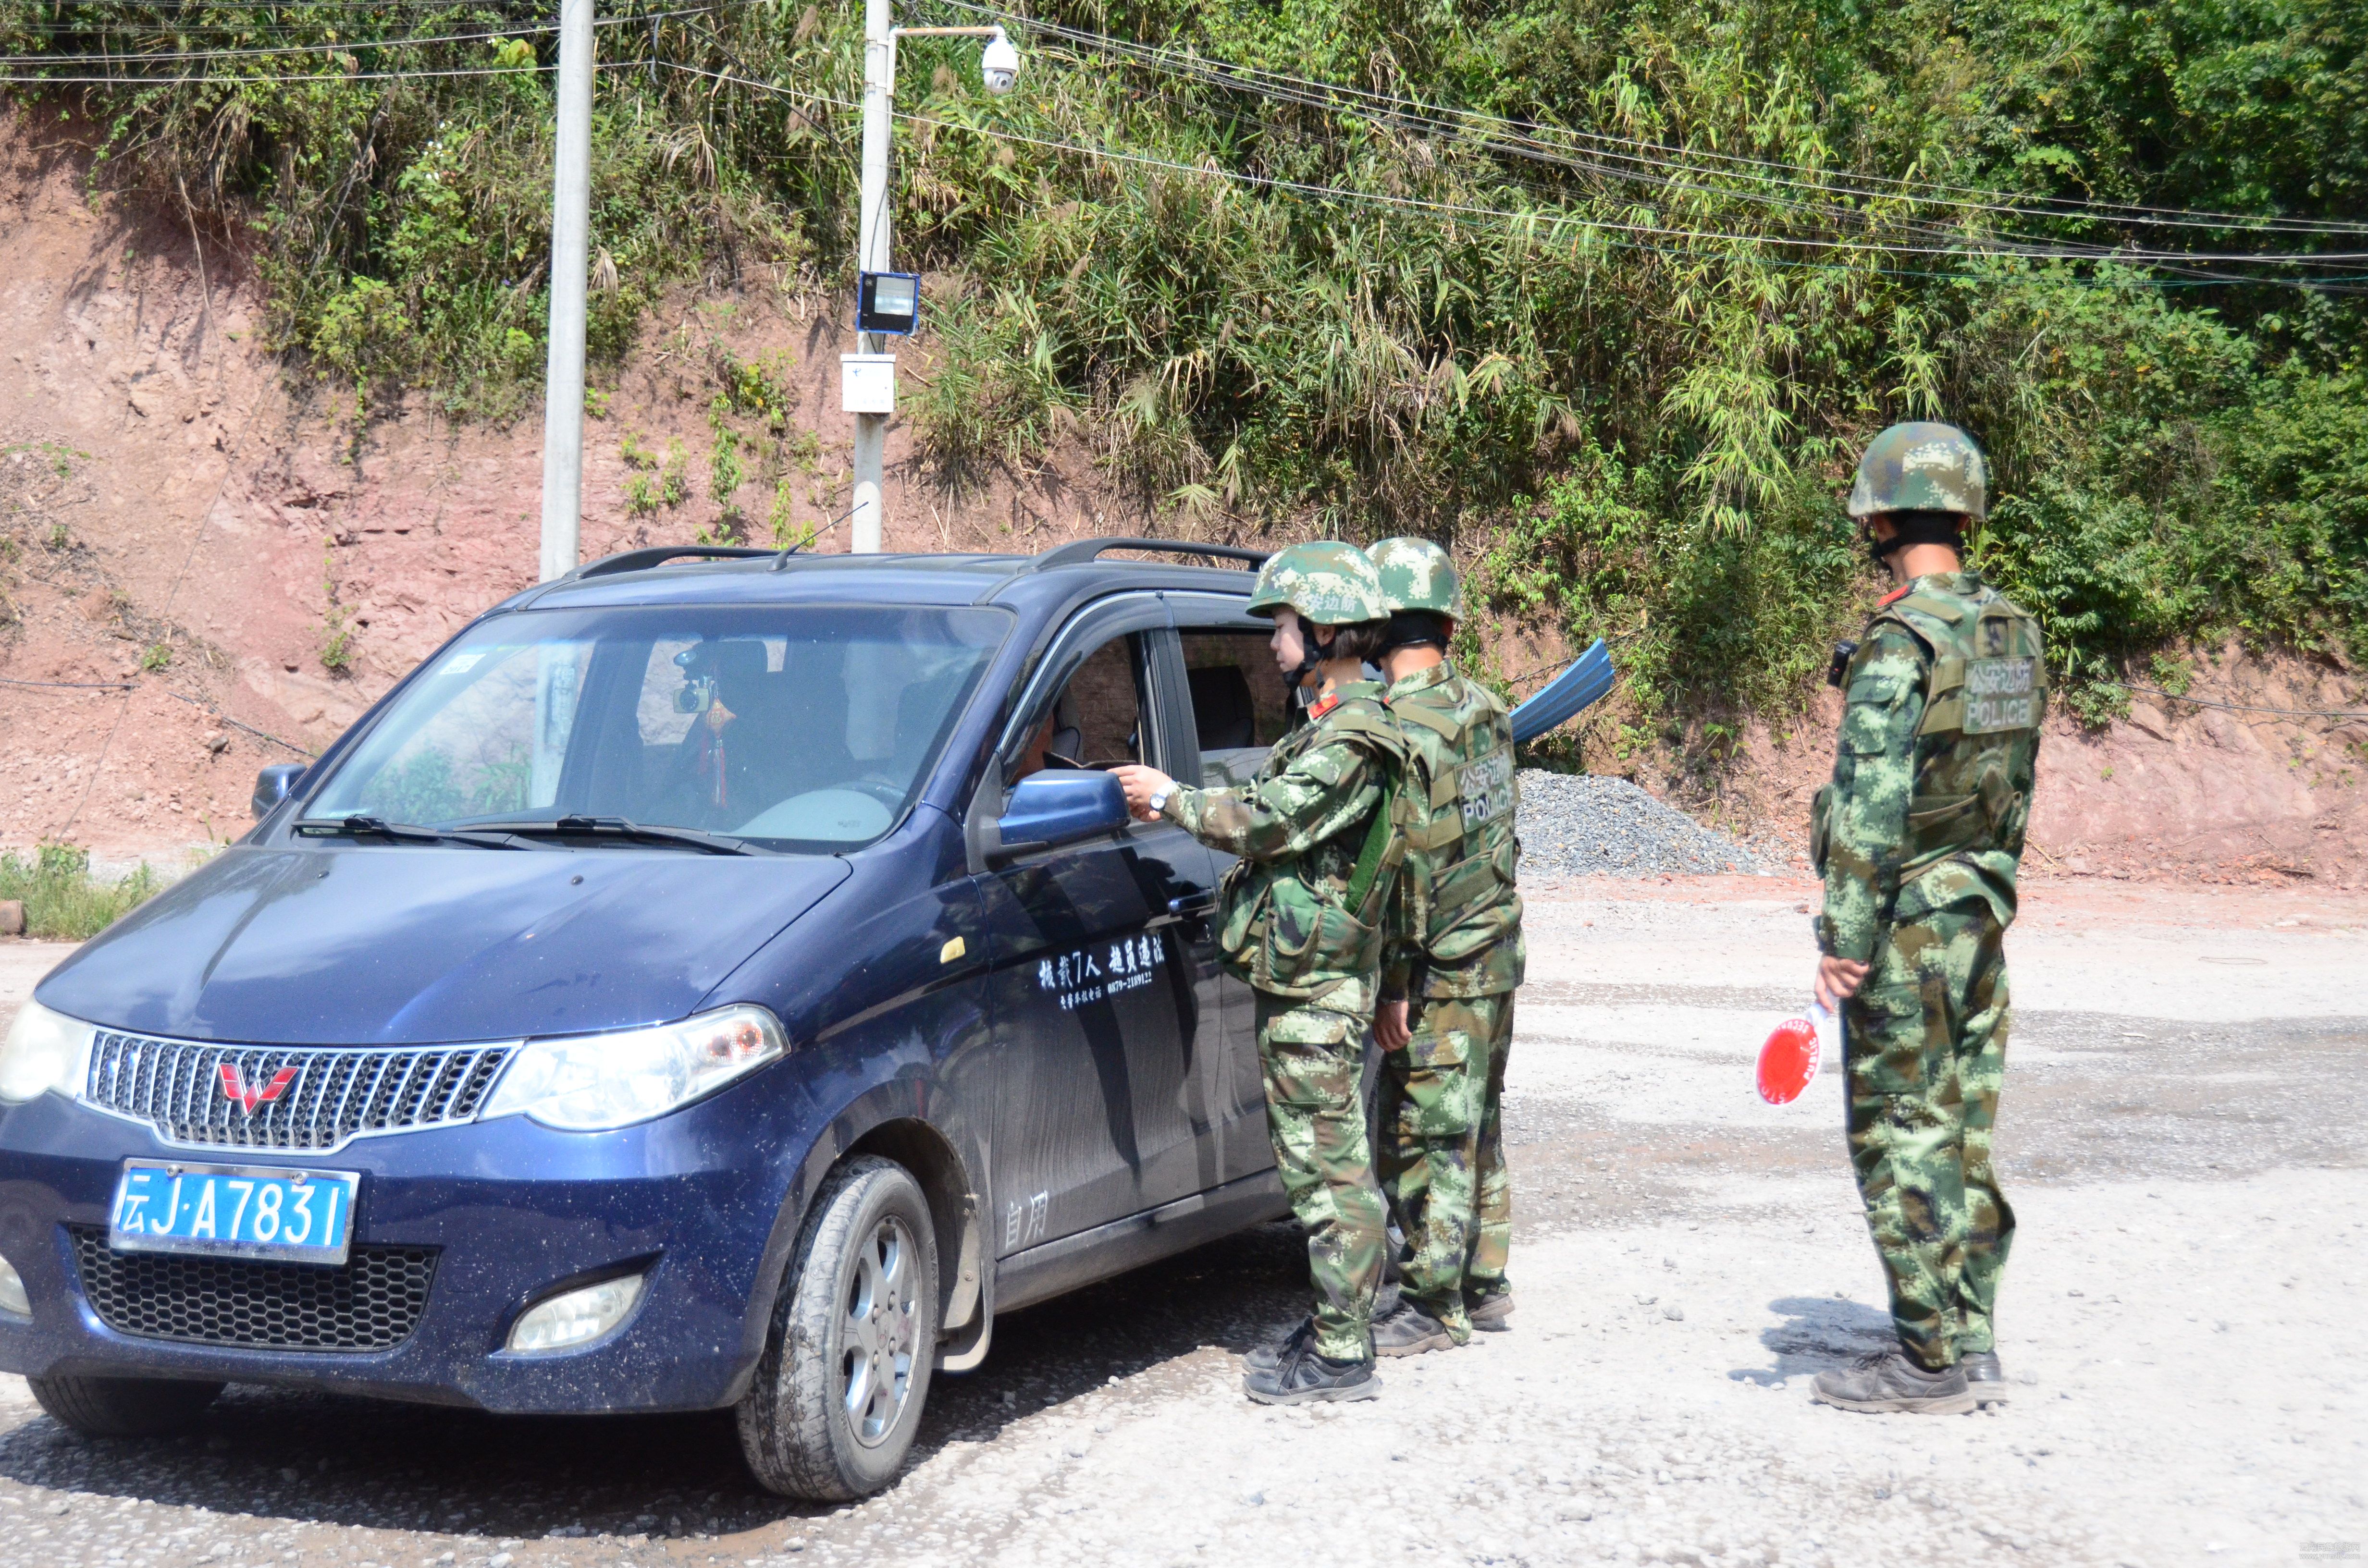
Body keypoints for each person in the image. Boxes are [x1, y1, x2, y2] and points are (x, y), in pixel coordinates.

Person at [1111, 541, 1407, 1406]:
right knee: (1317, 1162)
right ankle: (1335, 1327)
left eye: (1280, 627)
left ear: (1321, 629)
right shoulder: (1330, 722)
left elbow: (1265, 821)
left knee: (1329, 1168)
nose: (1273, 644)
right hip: (1307, 982)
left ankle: (1346, 1354)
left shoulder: (1353, 739)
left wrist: (1169, 798)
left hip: (1320, 991)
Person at [1808, 421, 2043, 1416]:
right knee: (1964, 1131)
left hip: (1906, 921)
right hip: (1980, 909)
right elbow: (2015, 781)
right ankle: (1970, 1335)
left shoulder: (1900, 641)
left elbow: (1869, 803)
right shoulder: (2012, 629)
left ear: (1882, 518)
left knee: (1903, 1129)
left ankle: (1925, 1361)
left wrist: (1843, 941)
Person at [1359, 536, 1525, 1356]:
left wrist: (1395, 985)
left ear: (1381, 628)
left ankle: (1432, 1304)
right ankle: (1485, 1281)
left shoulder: (1400, 729)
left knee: (1425, 1135)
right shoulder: (1485, 708)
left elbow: (1408, 874)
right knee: (1478, 1123)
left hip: (1440, 967)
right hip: (1495, 950)